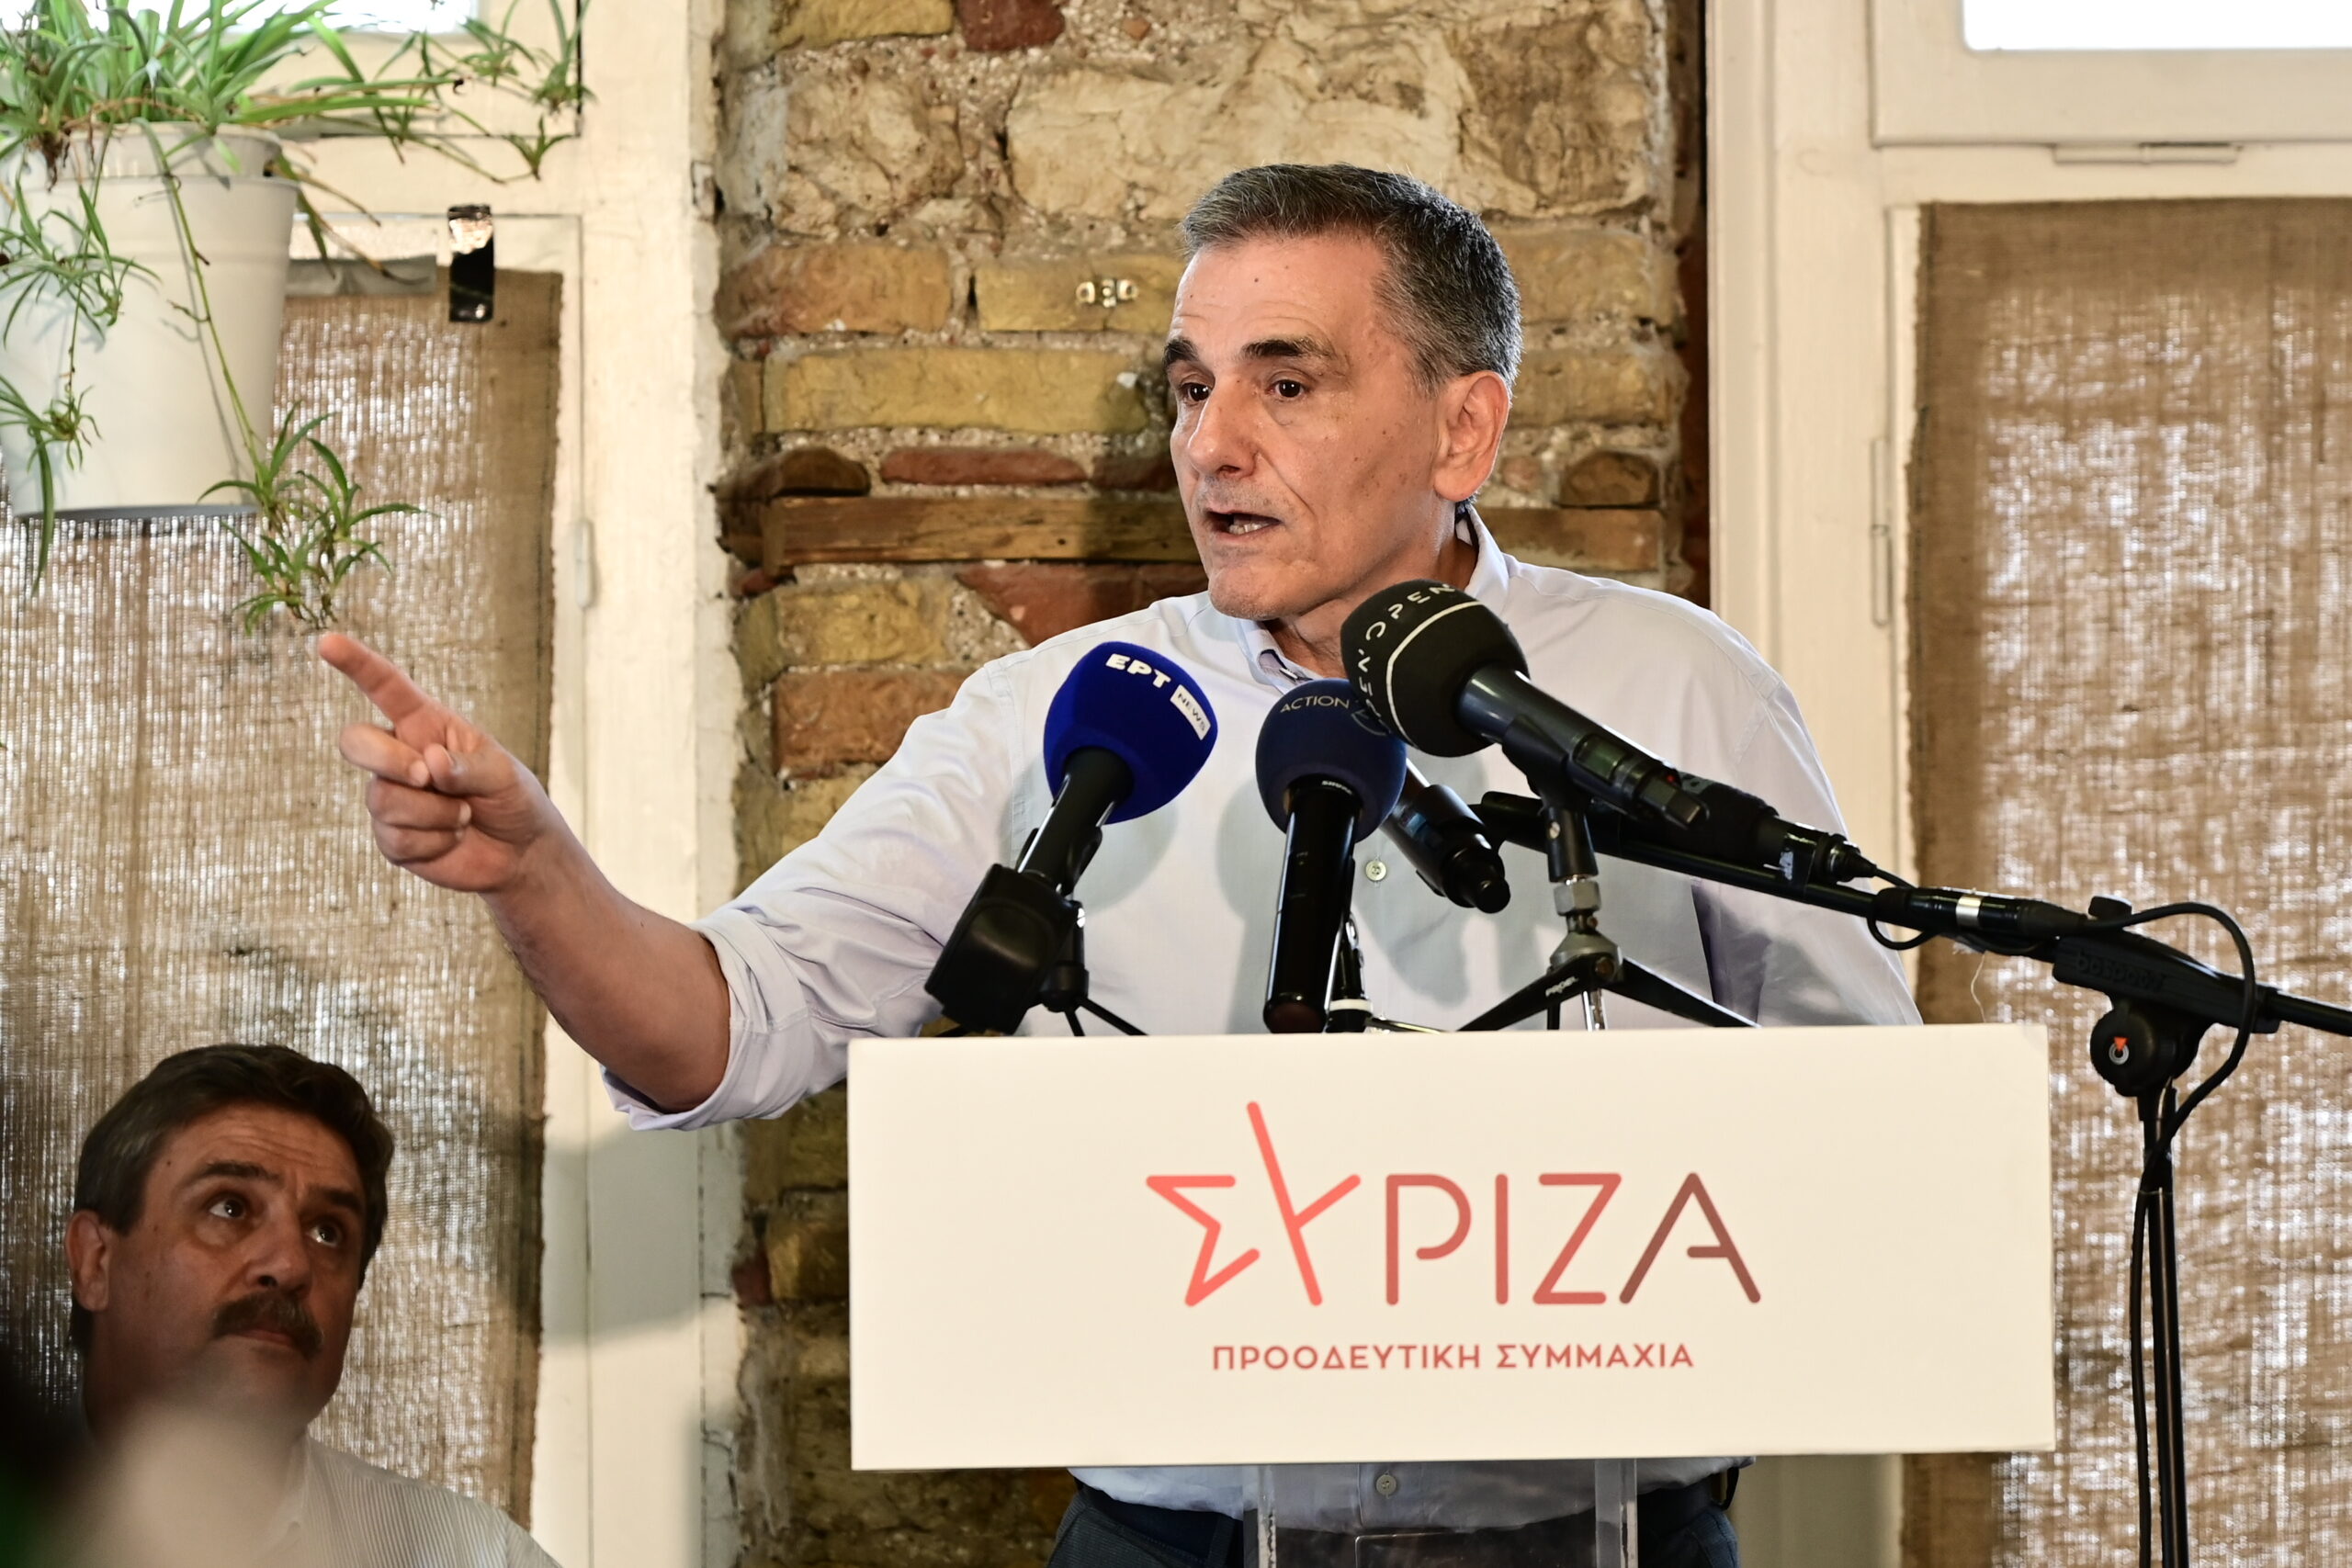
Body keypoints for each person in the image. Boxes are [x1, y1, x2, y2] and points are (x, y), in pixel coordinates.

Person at [322, 164, 1919, 1567]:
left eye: (1285, 383)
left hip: (1607, 1533)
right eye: (1189, 387)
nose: (1211, 444)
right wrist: (537, 872)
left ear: (1464, 427)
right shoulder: (1067, 717)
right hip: (1175, 1538)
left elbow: (1859, 1110)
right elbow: (728, 1024)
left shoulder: (1673, 690)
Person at [62, 1043, 560, 1568]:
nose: (291, 1264)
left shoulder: (476, 1556)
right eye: (229, 1207)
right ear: (95, 1262)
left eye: (328, 1232)